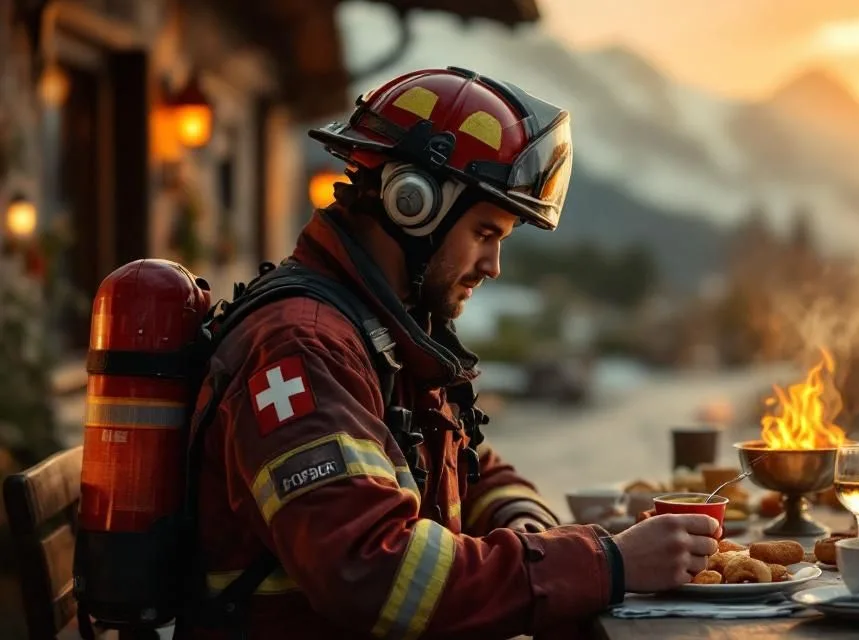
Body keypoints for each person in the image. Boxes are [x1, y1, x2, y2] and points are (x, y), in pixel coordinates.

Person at [181, 67, 720, 640]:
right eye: (486, 234)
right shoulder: (303, 349)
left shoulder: (379, 333)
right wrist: (607, 564)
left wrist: (529, 525)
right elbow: (374, 572)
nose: (493, 266)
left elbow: (466, 464)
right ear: (414, 204)